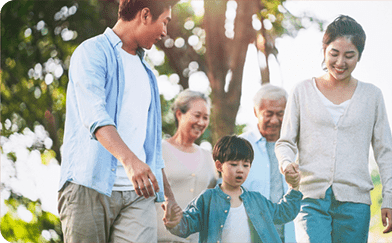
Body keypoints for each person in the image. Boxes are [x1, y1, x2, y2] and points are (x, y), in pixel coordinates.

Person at [57, 0, 180, 242]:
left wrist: (169, 195)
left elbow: (151, 145)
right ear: (145, 15)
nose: (164, 32)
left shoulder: (148, 75)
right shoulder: (91, 52)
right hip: (88, 186)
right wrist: (130, 162)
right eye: (164, 22)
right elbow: (94, 115)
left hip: (138, 195)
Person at [275, 15, 392, 242]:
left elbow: (385, 151)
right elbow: (285, 142)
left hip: (355, 203)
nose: (340, 62)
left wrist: (389, 198)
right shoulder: (302, 90)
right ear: (324, 50)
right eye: (334, 53)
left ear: (359, 56)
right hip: (309, 198)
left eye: (349, 55)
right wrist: (286, 164)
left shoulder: (372, 96)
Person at [162, 135, 302, 243]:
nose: (240, 170)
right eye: (234, 164)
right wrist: (175, 221)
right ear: (219, 166)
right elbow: (187, 225)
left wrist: (294, 188)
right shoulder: (207, 199)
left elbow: (283, 213)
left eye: (246, 165)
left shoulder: (257, 200)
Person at [156, 89, 218, 242]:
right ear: (179, 114)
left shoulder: (208, 156)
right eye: (197, 116)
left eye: (206, 118)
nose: (201, 122)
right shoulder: (159, 150)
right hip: (160, 238)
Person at [240, 84, 296, 242]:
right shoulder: (240, 145)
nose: (275, 120)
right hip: (251, 236)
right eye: (268, 114)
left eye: (280, 114)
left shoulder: (297, 146)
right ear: (255, 112)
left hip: (292, 235)